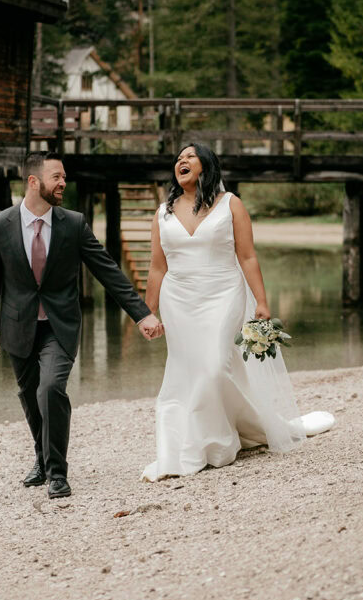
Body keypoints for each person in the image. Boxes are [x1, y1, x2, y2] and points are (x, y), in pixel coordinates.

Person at [141, 140, 334, 481]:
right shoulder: (162, 213)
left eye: (190, 157)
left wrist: (261, 302)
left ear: (206, 166)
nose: (181, 161)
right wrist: (148, 312)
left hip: (223, 293)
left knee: (215, 367)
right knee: (188, 372)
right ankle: (201, 438)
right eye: (178, 158)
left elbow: (247, 256)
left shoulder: (231, 205)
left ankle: (219, 442)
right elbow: (157, 268)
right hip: (179, 300)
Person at [0, 152, 163, 499]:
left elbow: (107, 270)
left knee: (50, 389)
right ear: (34, 181)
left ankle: (57, 473)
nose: (63, 183)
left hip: (59, 326)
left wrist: (142, 313)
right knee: (30, 397)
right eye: (56, 177)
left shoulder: (73, 224)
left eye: (64, 177)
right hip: (17, 325)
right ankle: (41, 457)